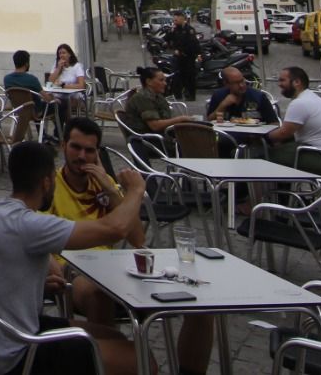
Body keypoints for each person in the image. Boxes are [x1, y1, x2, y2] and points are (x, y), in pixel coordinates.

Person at [0, 141, 146, 375]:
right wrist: (136, 191)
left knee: (114, 335)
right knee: (143, 361)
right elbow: (115, 229)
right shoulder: (28, 224)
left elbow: (6, 268)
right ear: (47, 182)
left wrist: (35, 284)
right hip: (18, 352)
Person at [48, 118, 213, 374]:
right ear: (62, 146)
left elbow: (138, 239)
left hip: (114, 267)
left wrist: (112, 191)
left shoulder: (104, 185)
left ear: (97, 153)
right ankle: (115, 363)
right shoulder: (50, 187)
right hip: (72, 272)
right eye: (75, 147)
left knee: (201, 303)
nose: (82, 156)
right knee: (97, 291)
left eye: (89, 150)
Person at [265, 66, 321, 174]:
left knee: (265, 155)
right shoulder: (310, 96)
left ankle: (274, 189)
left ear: (297, 82)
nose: (279, 84)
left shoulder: (300, 103)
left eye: (283, 80)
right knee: (281, 149)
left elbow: (284, 133)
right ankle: (282, 187)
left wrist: (264, 137)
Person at [121, 67, 201, 139]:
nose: (165, 83)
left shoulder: (157, 96)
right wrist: (180, 119)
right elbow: (155, 126)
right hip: (149, 141)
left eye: (165, 80)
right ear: (149, 81)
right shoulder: (143, 97)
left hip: (161, 136)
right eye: (161, 80)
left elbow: (167, 117)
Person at [205, 66, 278, 124]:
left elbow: (274, 123)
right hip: (227, 138)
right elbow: (209, 121)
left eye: (242, 80)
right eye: (236, 83)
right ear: (226, 84)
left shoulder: (258, 97)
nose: (242, 85)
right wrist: (223, 105)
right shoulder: (218, 95)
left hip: (253, 138)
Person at [168, 13, 203, 100]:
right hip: (179, 58)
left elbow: (193, 44)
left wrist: (198, 54)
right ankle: (178, 95)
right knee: (178, 76)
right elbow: (168, 39)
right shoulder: (175, 29)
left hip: (188, 57)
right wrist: (171, 31)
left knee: (190, 77)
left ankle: (191, 95)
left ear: (182, 19)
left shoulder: (189, 30)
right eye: (174, 20)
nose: (174, 22)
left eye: (176, 20)